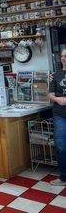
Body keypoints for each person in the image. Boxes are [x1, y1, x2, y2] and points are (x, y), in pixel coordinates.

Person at [47, 48, 66, 186]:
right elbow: (49, 93)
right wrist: (57, 99)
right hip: (60, 115)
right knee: (61, 146)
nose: (65, 58)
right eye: (63, 56)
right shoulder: (55, 75)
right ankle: (64, 177)